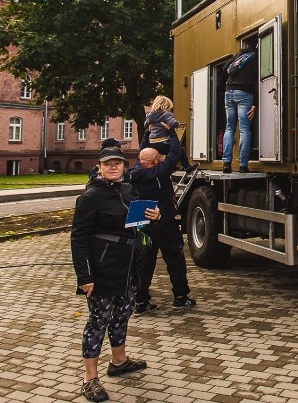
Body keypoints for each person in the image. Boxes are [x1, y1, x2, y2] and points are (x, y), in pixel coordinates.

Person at [70, 145, 160, 402]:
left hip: (128, 265)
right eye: (108, 163)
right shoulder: (90, 197)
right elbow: (78, 238)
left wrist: (154, 215)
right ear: (99, 166)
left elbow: (135, 222)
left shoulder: (128, 189)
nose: (113, 167)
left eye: (117, 163)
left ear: (124, 167)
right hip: (102, 268)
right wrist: (84, 276)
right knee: (98, 320)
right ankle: (89, 379)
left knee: (122, 314)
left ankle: (118, 361)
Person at [129, 130, 196, 314]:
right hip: (165, 225)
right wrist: (171, 131)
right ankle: (180, 297)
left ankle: (141, 301)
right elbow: (175, 152)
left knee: (143, 264)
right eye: (159, 157)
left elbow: (143, 151)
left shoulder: (135, 172)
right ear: (156, 161)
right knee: (175, 260)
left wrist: (147, 133)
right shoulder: (160, 172)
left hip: (143, 227)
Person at [222, 39, 258, 173]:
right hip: (244, 94)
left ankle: (226, 164)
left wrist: (236, 57)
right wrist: (255, 104)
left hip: (229, 92)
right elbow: (257, 81)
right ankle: (243, 165)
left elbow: (225, 68)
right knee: (244, 129)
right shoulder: (256, 56)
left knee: (229, 128)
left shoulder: (239, 55)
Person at [145, 95, 195, 173]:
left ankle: (172, 166)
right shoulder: (166, 114)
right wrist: (177, 124)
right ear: (166, 106)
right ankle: (187, 167)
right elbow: (173, 123)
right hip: (163, 141)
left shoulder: (150, 115)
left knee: (165, 154)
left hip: (152, 142)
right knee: (180, 150)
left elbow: (146, 124)